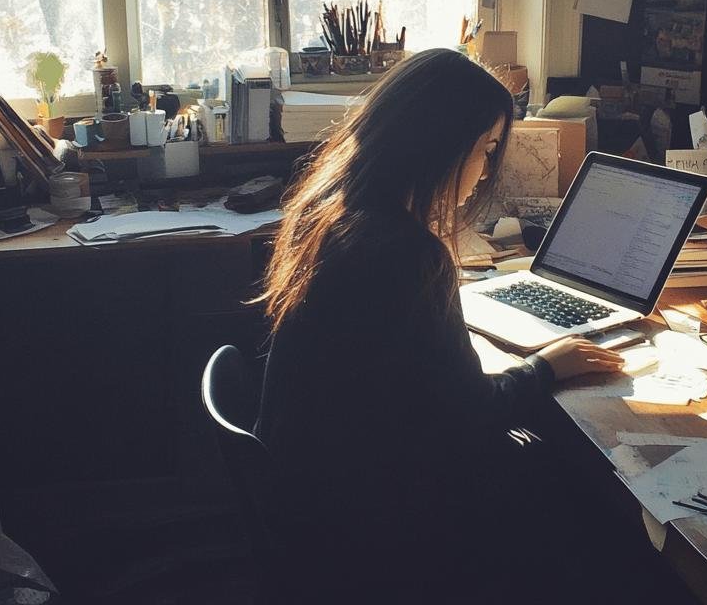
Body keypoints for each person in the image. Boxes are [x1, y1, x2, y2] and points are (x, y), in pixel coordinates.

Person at [254, 48, 627, 600]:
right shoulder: (405, 254)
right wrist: (546, 366)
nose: (484, 170)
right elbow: (469, 409)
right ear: (441, 147)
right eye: (487, 148)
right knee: (570, 490)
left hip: (310, 488)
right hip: (370, 524)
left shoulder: (330, 212)